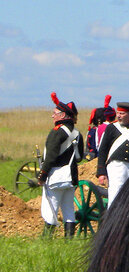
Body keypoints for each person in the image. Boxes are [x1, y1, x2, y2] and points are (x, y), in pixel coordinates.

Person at [38, 92, 84, 237]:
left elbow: (50, 157)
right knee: (68, 209)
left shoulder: (57, 132)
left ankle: (46, 240)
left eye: (55, 113)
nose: (52, 116)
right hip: (71, 177)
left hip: (56, 176)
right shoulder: (77, 133)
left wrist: (42, 175)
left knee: (50, 208)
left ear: (63, 116)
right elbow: (79, 158)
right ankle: (69, 240)